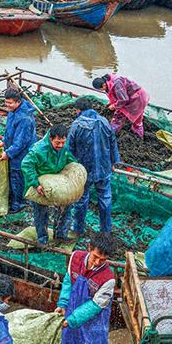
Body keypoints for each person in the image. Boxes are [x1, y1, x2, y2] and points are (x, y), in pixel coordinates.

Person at [51, 233, 119, 344]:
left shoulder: (109, 279)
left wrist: (71, 320)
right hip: (72, 312)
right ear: (89, 248)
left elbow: (95, 305)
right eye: (96, 257)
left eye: (103, 260)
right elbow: (68, 281)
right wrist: (62, 304)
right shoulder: (75, 257)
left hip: (95, 322)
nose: (97, 262)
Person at [66, 97, 120, 238]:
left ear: (78, 110)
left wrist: (68, 167)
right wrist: (114, 161)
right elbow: (112, 142)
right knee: (105, 198)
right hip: (103, 167)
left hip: (84, 170)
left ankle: (78, 229)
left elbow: (69, 149)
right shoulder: (103, 121)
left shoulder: (76, 125)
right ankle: (106, 231)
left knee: (81, 199)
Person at [24, 124, 77, 243]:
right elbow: (26, 164)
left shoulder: (64, 148)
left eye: (63, 142)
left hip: (58, 183)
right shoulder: (38, 150)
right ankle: (42, 239)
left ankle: (61, 235)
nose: (61, 145)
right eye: (57, 143)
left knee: (65, 208)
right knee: (41, 212)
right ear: (51, 138)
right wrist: (35, 183)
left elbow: (70, 159)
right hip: (41, 185)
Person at [0, 85, 38, 214]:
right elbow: (10, 130)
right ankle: (17, 199)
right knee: (15, 178)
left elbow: (21, 142)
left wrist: (8, 152)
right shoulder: (13, 111)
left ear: (18, 101)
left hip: (22, 154)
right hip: (14, 149)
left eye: (10, 103)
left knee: (17, 177)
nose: (7, 105)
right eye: (6, 102)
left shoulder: (24, 118)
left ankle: (19, 204)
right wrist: (4, 142)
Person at [94, 73, 149, 137]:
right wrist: (111, 102)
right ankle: (136, 131)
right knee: (135, 116)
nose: (101, 90)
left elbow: (123, 99)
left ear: (103, 85)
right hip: (131, 97)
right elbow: (116, 94)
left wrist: (114, 106)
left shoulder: (117, 84)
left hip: (137, 99)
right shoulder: (107, 81)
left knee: (122, 116)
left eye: (100, 89)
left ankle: (135, 134)